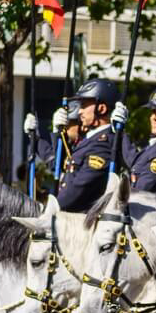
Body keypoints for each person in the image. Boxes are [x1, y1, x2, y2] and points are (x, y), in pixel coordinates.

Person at [55, 78, 119, 212]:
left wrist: (51, 209)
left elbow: (79, 188)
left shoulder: (102, 146)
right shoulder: (90, 140)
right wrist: (57, 133)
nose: (79, 112)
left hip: (81, 222)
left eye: (84, 105)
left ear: (101, 108)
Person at [23, 100, 83, 177]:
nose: (65, 128)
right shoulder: (69, 145)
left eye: (69, 123)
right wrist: (33, 136)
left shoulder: (85, 146)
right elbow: (53, 161)